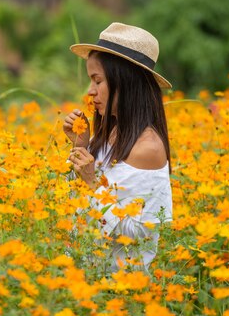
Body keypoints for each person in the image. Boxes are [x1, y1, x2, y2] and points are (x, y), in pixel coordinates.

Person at [63, 22, 173, 272]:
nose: (90, 91)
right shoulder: (108, 132)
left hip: (118, 286)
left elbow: (139, 234)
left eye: (98, 80)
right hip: (82, 273)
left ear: (126, 82)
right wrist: (82, 147)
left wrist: (93, 184)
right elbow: (76, 205)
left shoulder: (148, 149)